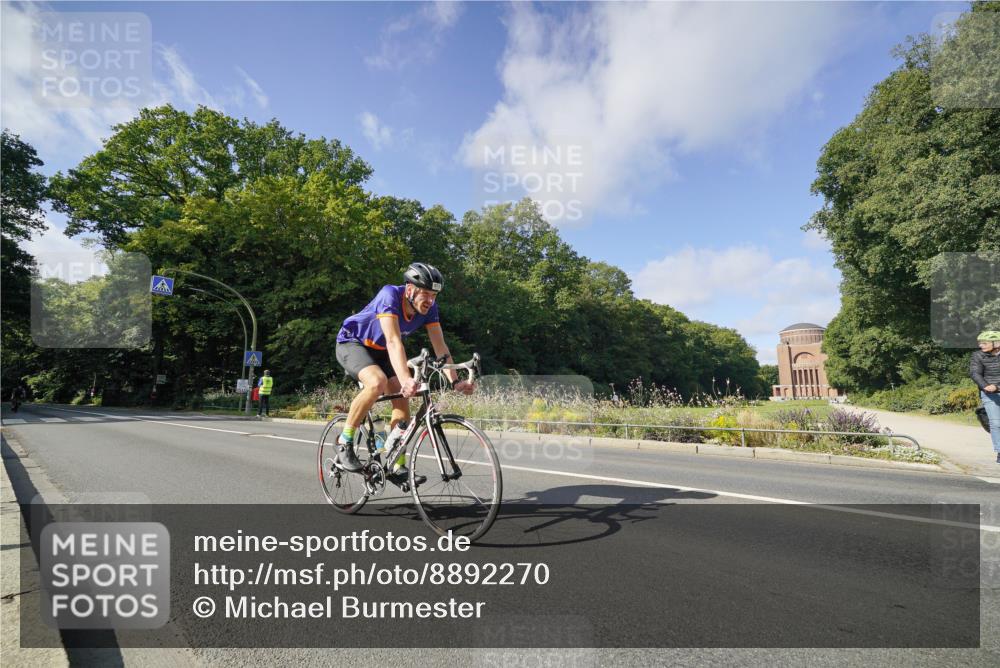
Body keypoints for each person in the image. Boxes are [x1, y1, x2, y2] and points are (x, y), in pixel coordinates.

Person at [334, 263, 474, 485]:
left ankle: (395, 465)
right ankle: (345, 441)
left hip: (382, 352)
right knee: (377, 381)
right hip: (354, 343)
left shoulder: (430, 309)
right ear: (410, 289)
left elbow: (441, 348)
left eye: (434, 295)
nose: (430, 300)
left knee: (402, 403)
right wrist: (407, 379)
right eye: (425, 293)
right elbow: (393, 341)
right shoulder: (390, 294)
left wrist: (454, 382)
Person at [970, 330, 1000, 464]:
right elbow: (975, 373)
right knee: (996, 423)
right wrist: (985, 386)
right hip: (989, 394)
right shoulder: (978, 356)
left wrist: (997, 386)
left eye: (984, 343)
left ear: (997, 343)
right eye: (980, 343)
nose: (981, 346)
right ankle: (999, 451)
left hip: (996, 388)